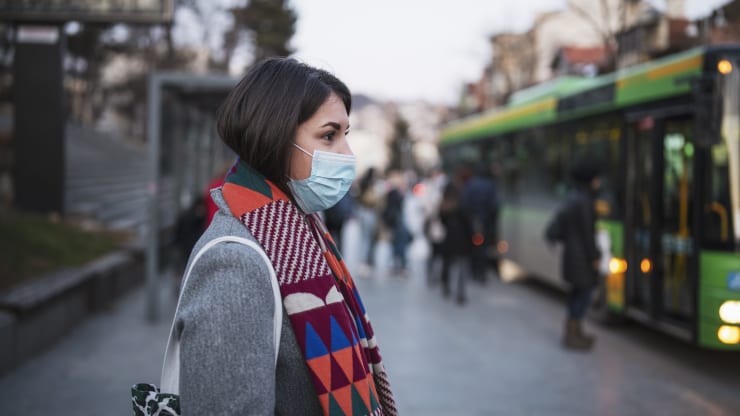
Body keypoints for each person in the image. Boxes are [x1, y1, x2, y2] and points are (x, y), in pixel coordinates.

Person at [173, 57, 397, 415]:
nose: (347, 154)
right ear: (275, 137)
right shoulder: (234, 264)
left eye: (345, 135)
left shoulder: (304, 230)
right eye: (328, 135)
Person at [553, 160, 602, 350]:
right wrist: (594, 257)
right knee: (583, 295)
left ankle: (574, 332)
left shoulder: (573, 198)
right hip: (581, 259)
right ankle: (573, 335)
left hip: (572, 257)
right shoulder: (584, 201)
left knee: (576, 294)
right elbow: (587, 234)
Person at [462, 162, 500, 282]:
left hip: (473, 221)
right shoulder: (490, 185)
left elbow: (465, 203)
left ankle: (474, 271)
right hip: (485, 221)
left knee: (473, 246)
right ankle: (482, 272)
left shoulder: (470, 184)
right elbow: (495, 205)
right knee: (483, 248)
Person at [438, 180, 473, 305]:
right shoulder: (462, 204)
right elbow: (468, 222)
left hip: (449, 239)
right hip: (462, 239)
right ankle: (460, 293)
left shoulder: (444, 205)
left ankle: (446, 286)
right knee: (462, 267)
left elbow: (441, 221)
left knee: (448, 264)